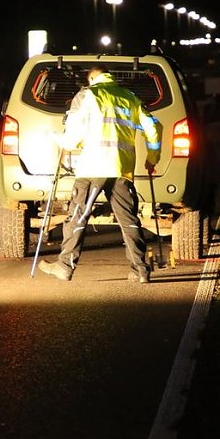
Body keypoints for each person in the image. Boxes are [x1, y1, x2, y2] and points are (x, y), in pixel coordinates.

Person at [38, 65, 163, 284]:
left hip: (92, 168)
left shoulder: (87, 95)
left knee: (78, 216)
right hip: (122, 169)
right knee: (129, 220)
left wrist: (55, 139)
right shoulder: (129, 97)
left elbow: (72, 137)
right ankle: (140, 270)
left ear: (93, 78)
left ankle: (65, 266)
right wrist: (152, 158)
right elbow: (153, 127)